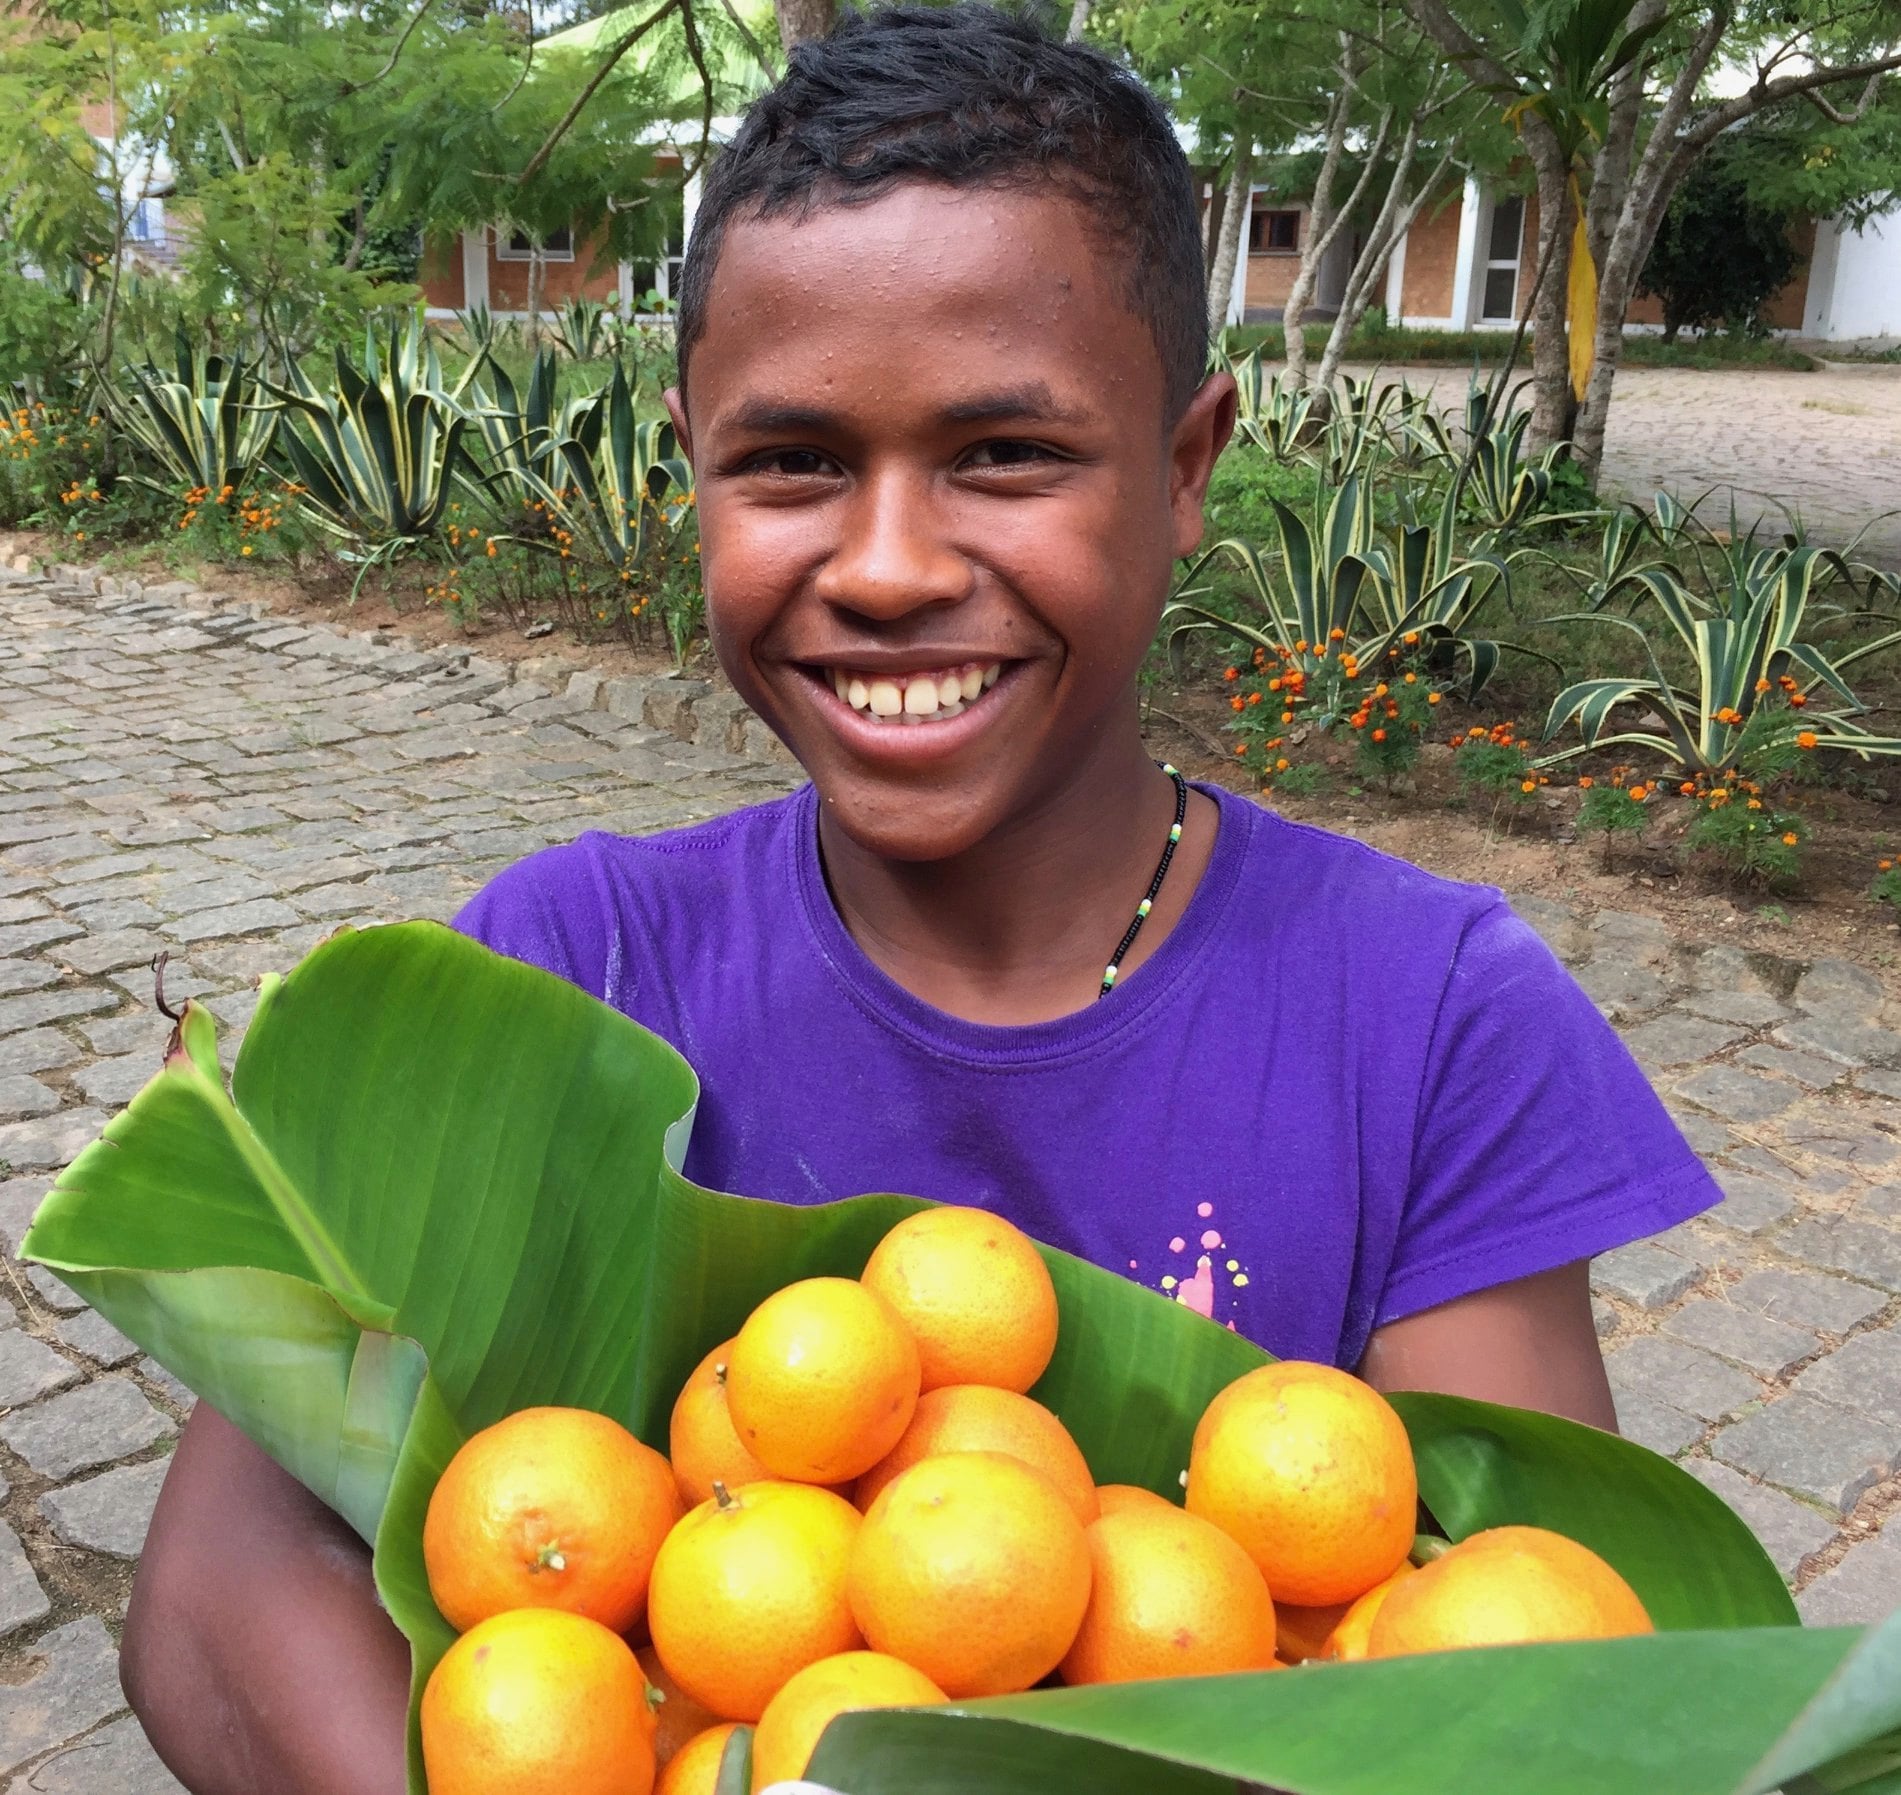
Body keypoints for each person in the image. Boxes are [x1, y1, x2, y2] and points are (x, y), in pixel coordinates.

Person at [122, 9, 1720, 1788]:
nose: (884, 568)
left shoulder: (1428, 1021)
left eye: (1005, 455)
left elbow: (1516, 1663)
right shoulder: (567, 963)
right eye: (792, 460)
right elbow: (219, 1590)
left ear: (1185, 466)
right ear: (692, 466)